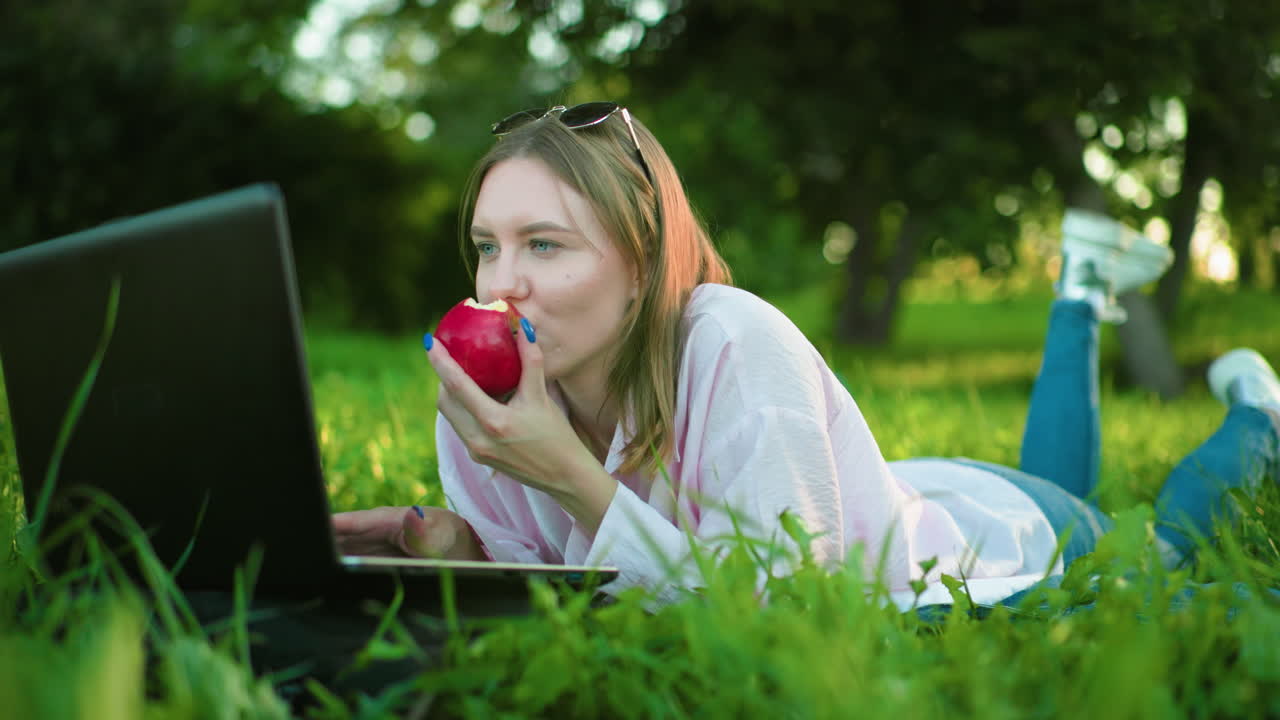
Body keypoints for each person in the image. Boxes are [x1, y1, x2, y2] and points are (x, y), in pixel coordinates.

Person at [331, 102, 1280, 609]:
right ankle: (1081, 290)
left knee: (1153, 544)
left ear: (642, 262)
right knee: (1057, 483)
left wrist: (574, 479)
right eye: (488, 246)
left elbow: (786, 611)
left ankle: (1259, 414)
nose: (502, 286)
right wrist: (455, 549)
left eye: (545, 245)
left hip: (980, 540)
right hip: (905, 491)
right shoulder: (485, 403)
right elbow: (558, 586)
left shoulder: (732, 340)